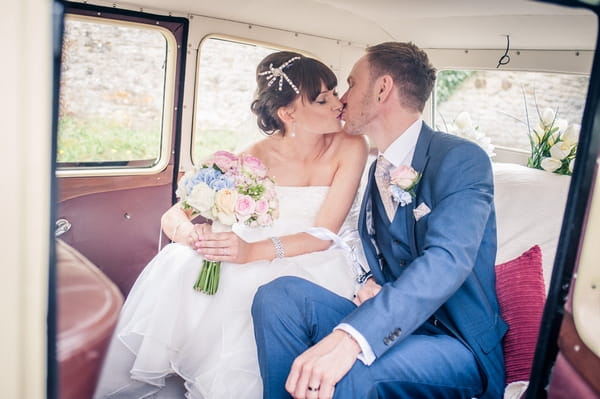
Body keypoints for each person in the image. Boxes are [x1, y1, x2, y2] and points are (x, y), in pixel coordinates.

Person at [93, 51, 369, 399]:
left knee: (262, 292)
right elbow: (172, 217)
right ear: (288, 113)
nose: (337, 103)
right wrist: (194, 237)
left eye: (333, 91)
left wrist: (251, 252)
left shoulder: (351, 146)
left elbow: (325, 235)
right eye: (322, 98)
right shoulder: (252, 155)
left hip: (311, 258)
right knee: (181, 263)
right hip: (244, 251)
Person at [251, 42, 507, 399]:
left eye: (352, 84)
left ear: (383, 89)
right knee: (278, 296)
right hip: (390, 318)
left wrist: (353, 338)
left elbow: (447, 261)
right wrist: (368, 280)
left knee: (354, 370)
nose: (342, 100)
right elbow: (369, 244)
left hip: (451, 338)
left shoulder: (461, 158)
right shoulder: (377, 170)